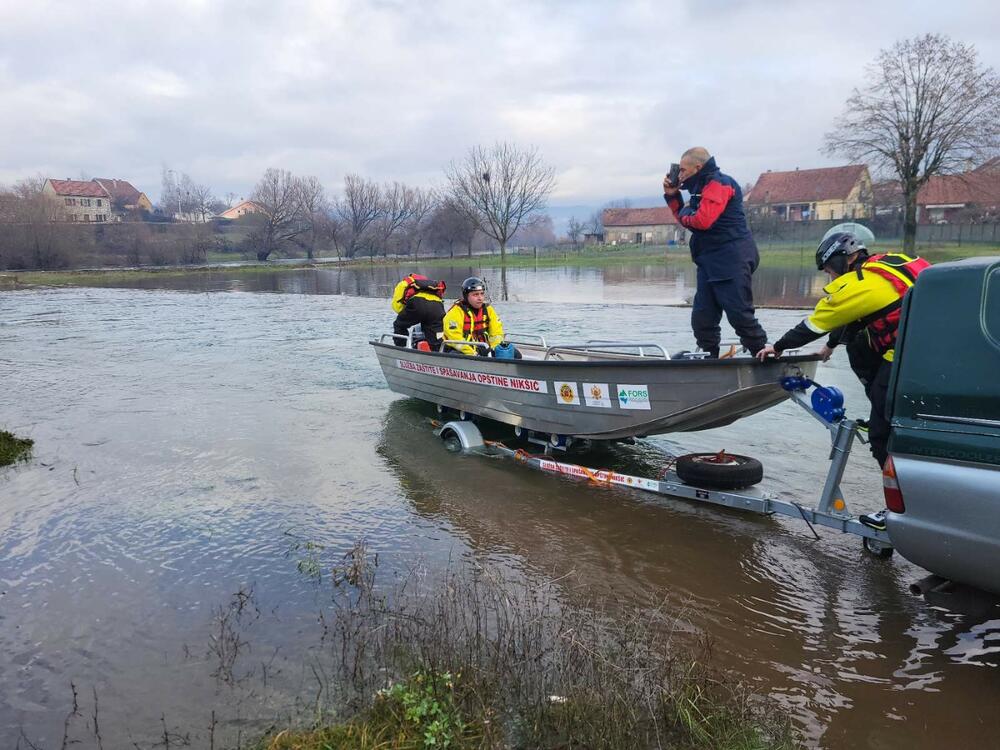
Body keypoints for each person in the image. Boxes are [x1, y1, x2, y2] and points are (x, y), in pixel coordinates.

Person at [755, 231, 930, 530]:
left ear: (839, 259)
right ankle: (886, 417)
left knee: (880, 436)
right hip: (937, 349)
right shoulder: (892, 262)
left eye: (828, 268)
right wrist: (831, 346)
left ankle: (903, 512)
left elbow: (814, 324)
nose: (828, 275)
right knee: (863, 350)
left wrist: (778, 347)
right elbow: (855, 313)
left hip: (909, 355)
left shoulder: (855, 283)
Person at [663, 147, 767, 357]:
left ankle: (763, 353)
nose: (679, 175)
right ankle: (709, 357)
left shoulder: (719, 183)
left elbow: (701, 221)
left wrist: (684, 211)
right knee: (702, 317)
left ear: (697, 168)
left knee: (739, 314)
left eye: (682, 170)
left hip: (732, 257)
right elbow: (689, 220)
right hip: (709, 260)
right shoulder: (698, 190)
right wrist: (673, 196)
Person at [442, 277, 513, 356]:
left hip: (483, 348)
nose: (480, 298)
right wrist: (473, 353)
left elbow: (496, 333)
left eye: (482, 294)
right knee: (457, 354)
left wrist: (494, 349)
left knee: (515, 354)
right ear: (466, 296)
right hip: (462, 351)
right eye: (475, 294)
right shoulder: (455, 312)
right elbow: (454, 338)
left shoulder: (488, 310)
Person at [391, 273, 446, 349]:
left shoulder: (404, 283)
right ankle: (437, 351)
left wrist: (404, 314)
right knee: (435, 333)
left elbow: (397, 306)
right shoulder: (430, 284)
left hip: (417, 304)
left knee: (399, 325)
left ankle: (401, 348)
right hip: (437, 306)